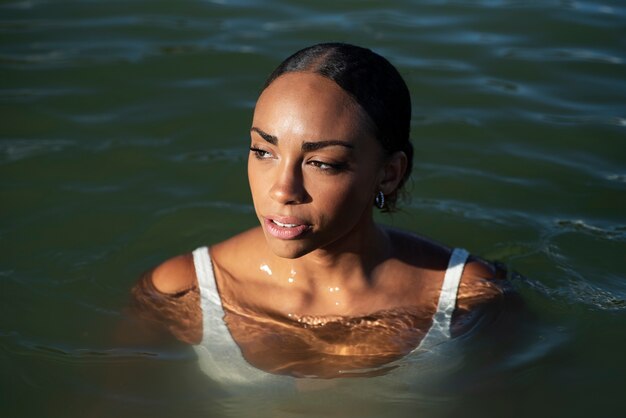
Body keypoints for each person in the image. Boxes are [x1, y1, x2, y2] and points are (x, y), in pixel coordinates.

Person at [131, 43, 508, 383]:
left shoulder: (468, 295)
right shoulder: (184, 289)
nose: (282, 189)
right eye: (263, 151)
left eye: (322, 163)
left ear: (389, 174)